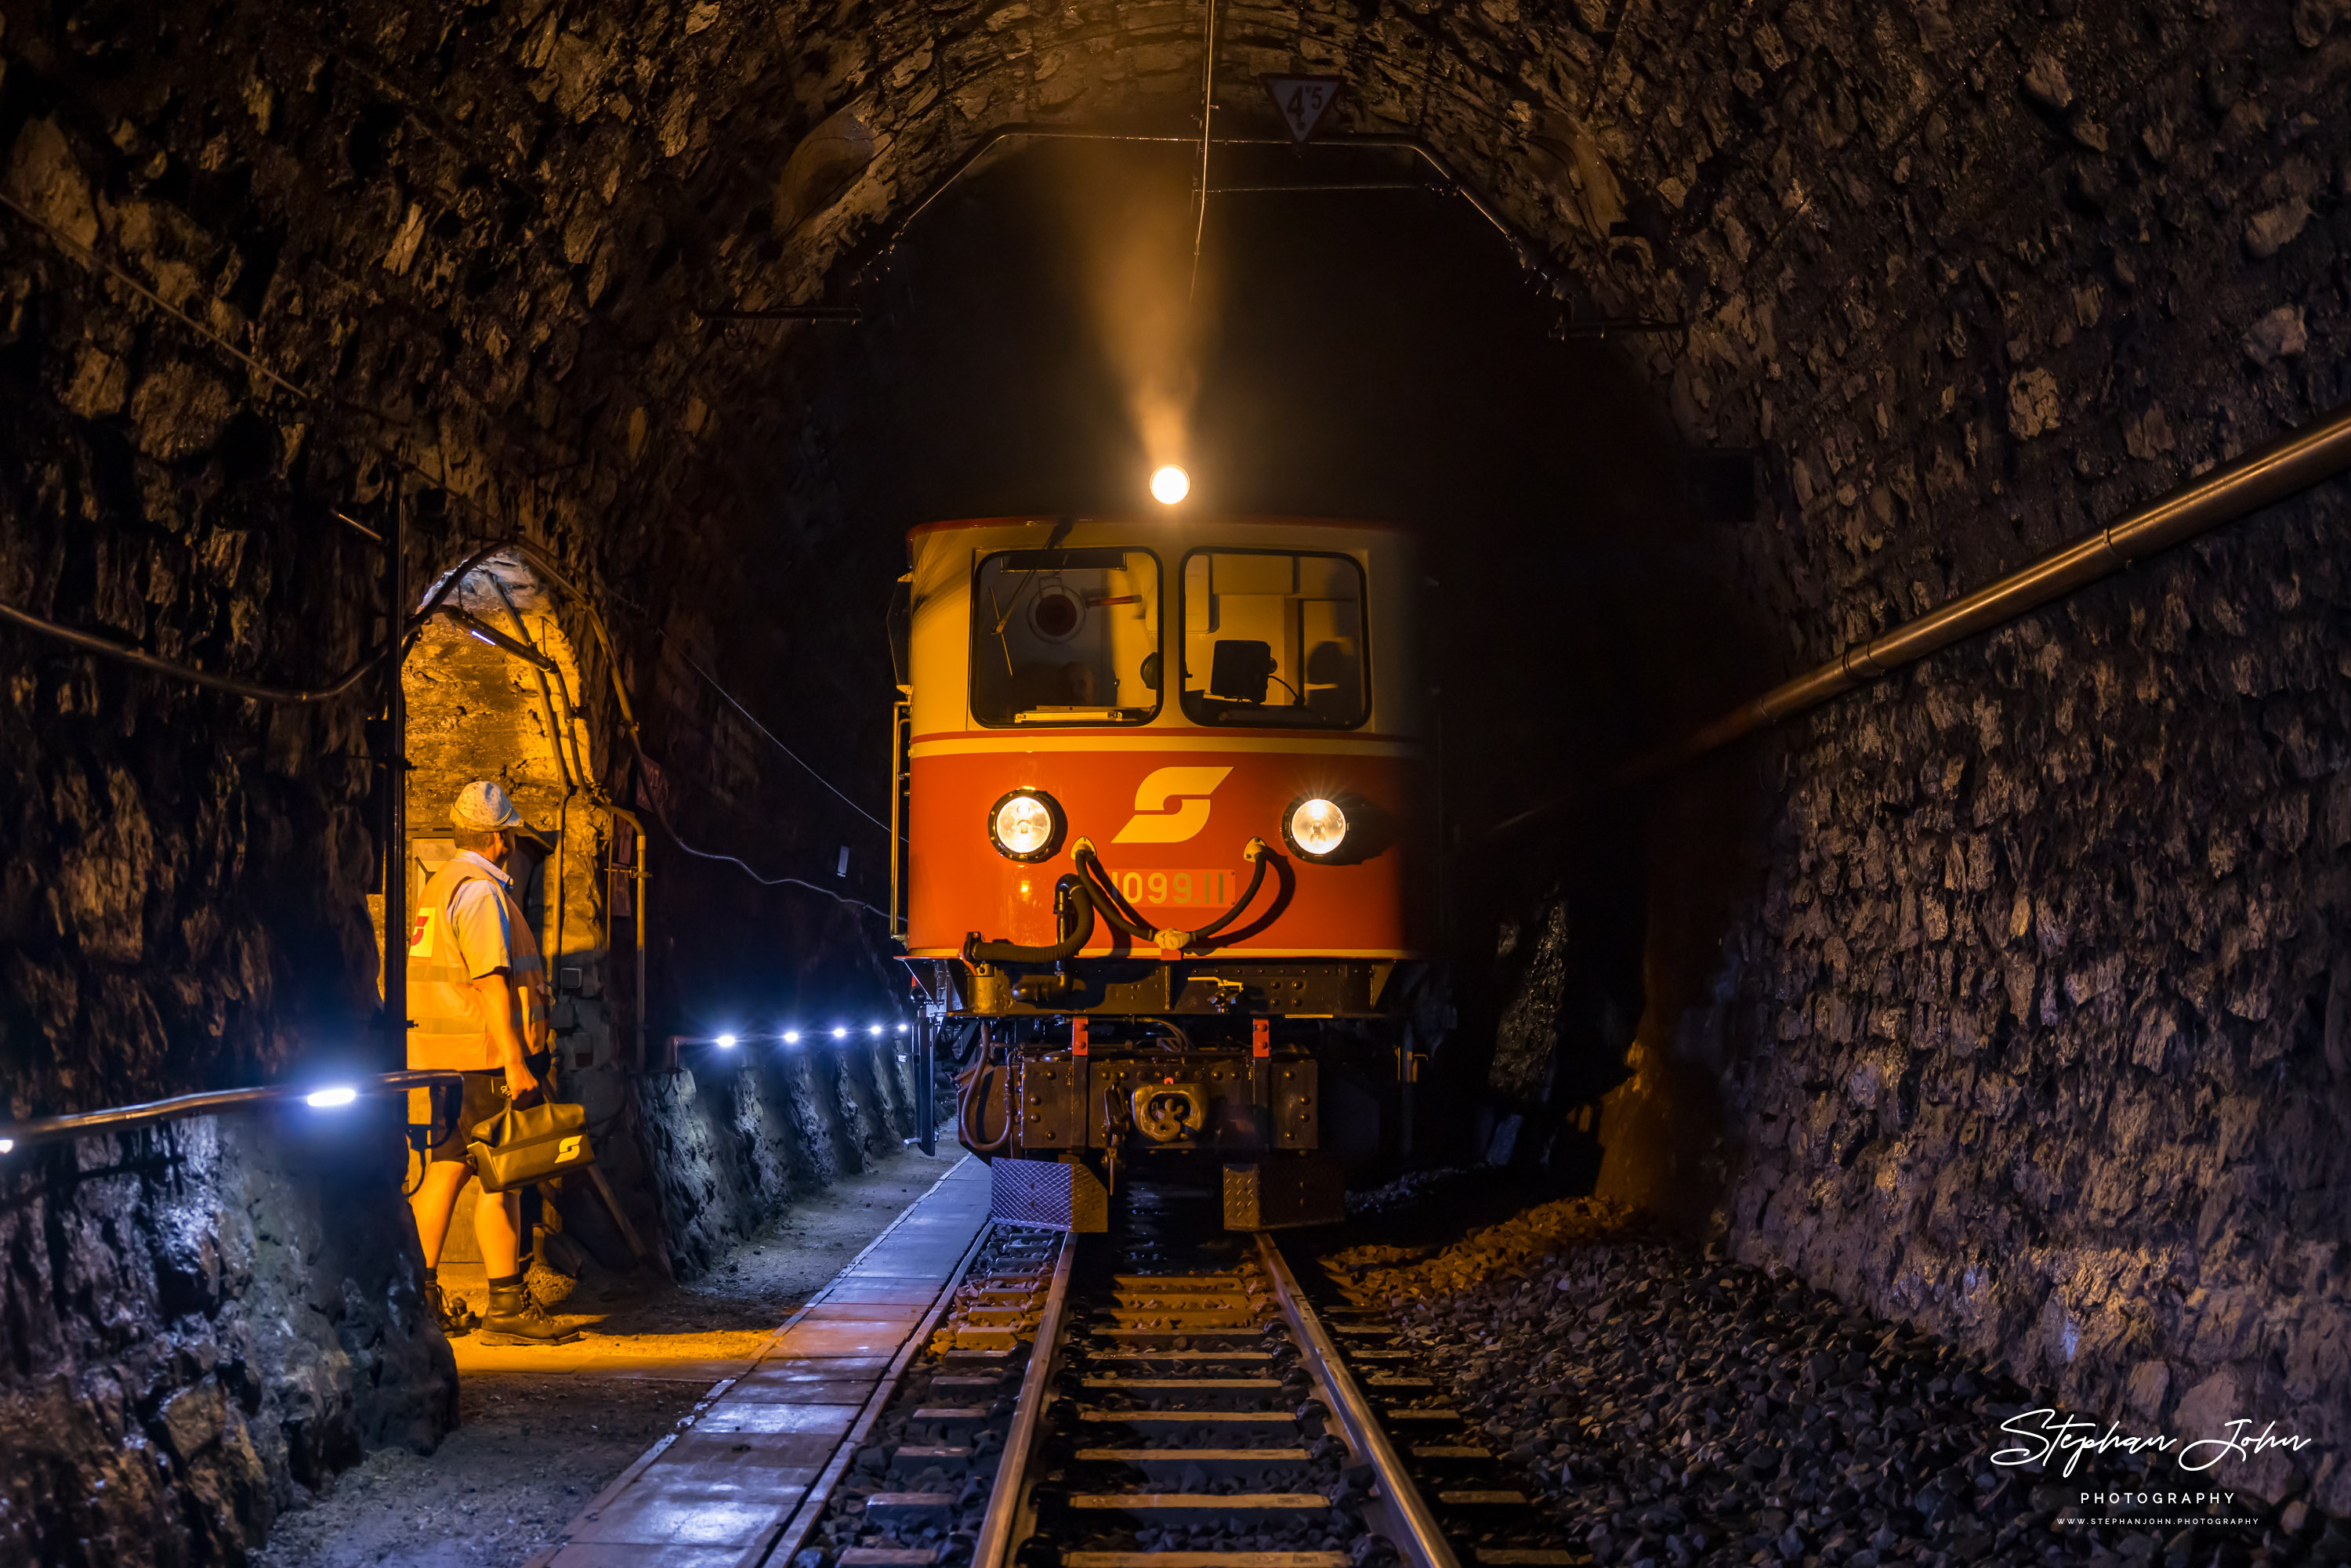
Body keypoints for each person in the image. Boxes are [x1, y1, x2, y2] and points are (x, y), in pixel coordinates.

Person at [404, 779, 579, 1346]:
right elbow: (490, 984)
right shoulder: (481, 894)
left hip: (437, 1061)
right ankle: (505, 1305)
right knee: (503, 1180)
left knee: (445, 1171)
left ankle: (419, 1298)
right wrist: (515, 1061)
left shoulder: (441, 886)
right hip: (480, 1059)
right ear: (501, 838)